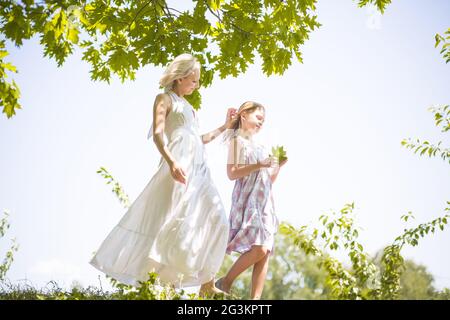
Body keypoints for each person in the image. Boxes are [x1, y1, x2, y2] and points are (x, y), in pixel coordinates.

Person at [90, 53, 237, 296]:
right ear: (180, 77)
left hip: (200, 168)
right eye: (194, 80)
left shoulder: (191, 108)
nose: (196, 85)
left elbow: (198, 140)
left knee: (219, 219)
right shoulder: (163, 99)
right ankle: (159, 281)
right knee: (175, 222)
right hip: (179, 164)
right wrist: (171, 162)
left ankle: (207, 284)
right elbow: (159, 134)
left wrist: (225, 126)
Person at [216, 101, 287, 299]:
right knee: (260, 248)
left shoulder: (261, 147)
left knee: (265, 252)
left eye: (263, 120)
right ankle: (226, 281)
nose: (261, 123)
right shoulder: (237, 141)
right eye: (258, 118)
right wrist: (259, 164)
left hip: (264, 205)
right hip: (247, 203)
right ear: (244, 115)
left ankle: (255, 300)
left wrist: (277, 167)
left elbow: (267, 181)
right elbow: (232, 173)